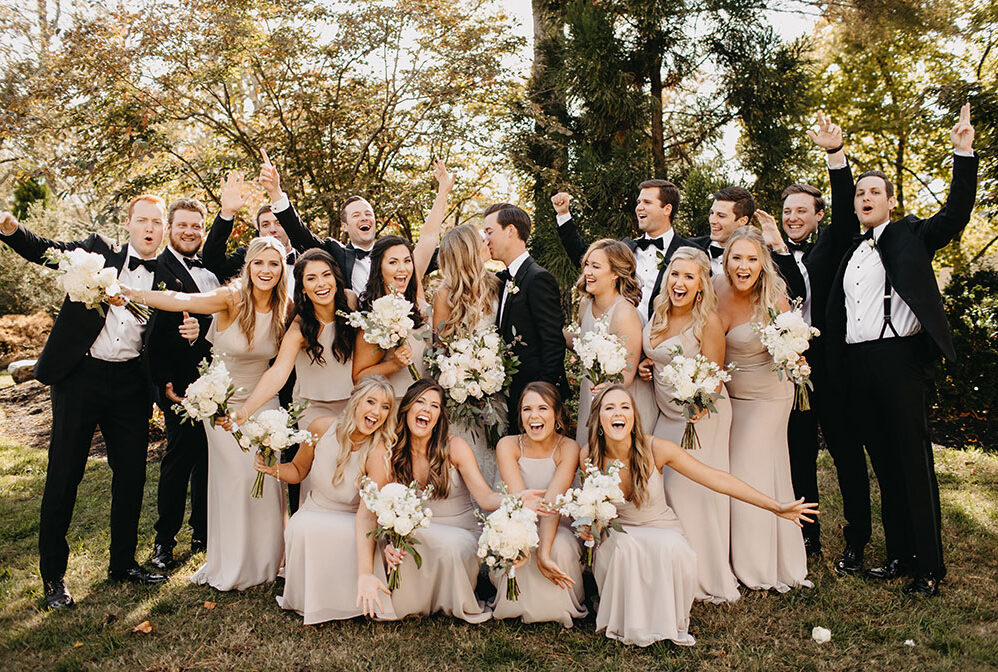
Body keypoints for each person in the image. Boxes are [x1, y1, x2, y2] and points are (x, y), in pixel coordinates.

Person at [822, 104, 977, 596]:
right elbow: (840, 192)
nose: (865, 198)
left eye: (874, 192)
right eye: (859, 194)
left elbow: (956, 213)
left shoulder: (913, 234)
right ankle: (897, 555)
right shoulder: (851, 247)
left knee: (913, 463)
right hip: (858, 364)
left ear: (890, 200)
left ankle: (928, 568)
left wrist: (963, 151)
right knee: (884, 464)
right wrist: (836, 156)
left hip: (900, 361)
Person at [0, 197, 169, 609]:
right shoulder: (96, 252)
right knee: (64, 474)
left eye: (156, 222)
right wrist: (10, 229)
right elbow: (48, 252)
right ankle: (54, 577)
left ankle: (123, 562)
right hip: (80, 377)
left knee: (131, 475)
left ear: (163, 230)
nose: (149, 228)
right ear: (127, 224)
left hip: (132, 382)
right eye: (142, 220)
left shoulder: (168, 273)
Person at [585, 385, 817, 647]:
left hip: (660, 526)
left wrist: (776, 506)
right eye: (610, 407)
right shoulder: (590, 457)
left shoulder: (656, 448)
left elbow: (716, 479)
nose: (619, 413)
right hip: (622, 532)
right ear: (599, 419)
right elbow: (585, 507)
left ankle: (664, 619)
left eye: (625, 407)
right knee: (622, 548)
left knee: (671, 548)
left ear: (634, 416)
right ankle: (627, 619)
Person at [124, 236, 291, 591]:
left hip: (264, 402)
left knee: (265, 481)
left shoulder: (285, 308)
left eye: (273, 264)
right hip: (223, 404)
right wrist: (131, 293)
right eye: (259, 263)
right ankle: (235, 563)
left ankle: (271, 561)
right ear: (248, 266)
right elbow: (182, 300)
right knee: (237, 481)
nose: (266, 270)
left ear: (282, 270)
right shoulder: (232, 298)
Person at [354, 379, 547, 622]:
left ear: (439, 416)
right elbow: (367, 513)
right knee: (402, 546)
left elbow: (485, 497)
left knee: (450, 544)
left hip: (460, 533)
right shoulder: (387, 451)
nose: (426, 409)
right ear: (407, 409)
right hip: (415, 532)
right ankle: (410, 601)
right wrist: (388, 542)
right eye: (420, 402)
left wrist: (514, 500)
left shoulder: (454, 446)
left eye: (434, 406)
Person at [777, 155, 874, 568]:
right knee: (797, 454)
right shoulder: (768, 254)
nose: (793, 217)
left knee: (846, 453)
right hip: (789, 366)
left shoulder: (834, 246)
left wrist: (836, 159)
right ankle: (806, 534)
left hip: (832, 365)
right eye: (787, 211)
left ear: (819, 216)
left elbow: (843, 205)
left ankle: (857, 539)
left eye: (802, 210)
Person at [251, 376, 398, 623]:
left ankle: (351, 596)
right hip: (315, 509)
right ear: (355, 401)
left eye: (385, 407)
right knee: (302, 525)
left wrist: (364, 573)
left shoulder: (379, 451)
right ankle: (309, 599)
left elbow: (366, 515)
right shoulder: (320, 427)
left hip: (353, 518)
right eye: (371, 401)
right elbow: (298, 472)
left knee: (318, 529)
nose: (377, 412)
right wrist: (272, 468)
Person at [638, 246, 740, 603]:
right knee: (665, 492)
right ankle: (672, 569)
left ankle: (702, 575)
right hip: (666, 415)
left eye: (688, 277)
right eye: (674, 275)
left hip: (701, 416)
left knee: (693, 493)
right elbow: (652, 354)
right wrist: (644, 367)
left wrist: (699, 405)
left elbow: (715, 376)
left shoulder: (707, 321)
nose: (678, 283)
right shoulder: (657, 310)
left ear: (701, 285)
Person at [714, 226, 811, 592]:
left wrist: (797, 360)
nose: (743, 266)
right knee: (745, 470)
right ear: (726, 261)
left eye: (752, 259)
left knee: (747, 470)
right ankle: (744, 555)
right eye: (736, 258)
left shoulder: (774, 296)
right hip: (728, 398)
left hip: (769, 396)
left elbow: (792, 346)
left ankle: (754, 566)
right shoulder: (714, 289)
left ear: (762, 263)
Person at [230, 248, 358, 505]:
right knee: (317, 480)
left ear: (336, 277)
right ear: (302, 288)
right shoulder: (299, 328)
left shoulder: (350, 301)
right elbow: (278, 372)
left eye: (326, 275)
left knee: (353, 478)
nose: (321, 283)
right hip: (313, 411)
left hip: (352, 406)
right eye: (311, 279)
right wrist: (244, 411)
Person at [146, 197, 222, 572]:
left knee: (210, 460)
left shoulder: (211, 271)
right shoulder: (158, 270)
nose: (190, 231)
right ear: (170, 229)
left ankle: (203, 531)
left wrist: (204, 333)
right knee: (178, 461)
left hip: (218, 381)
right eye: (183, 225)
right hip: (180, 386)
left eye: (196, 226)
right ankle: (164, 540)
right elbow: (151, 336)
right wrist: (163, 386)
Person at [268, 158, 454, 292]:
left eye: (368, 214)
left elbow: (437, 248)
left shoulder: (397, 256)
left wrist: (443, 193)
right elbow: (300, 234)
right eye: (356, 215)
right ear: (344, 226)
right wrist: (276, 191)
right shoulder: (335, 253)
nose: (364, 218)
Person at [492, 383, 587, 627]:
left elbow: (553, 504)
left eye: (542, 408)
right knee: (514, 544)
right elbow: (521, 500)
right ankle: (514, 603)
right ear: (520, 417)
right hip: (520, 518)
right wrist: (524, 540)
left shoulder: (568, 447)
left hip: (557, 522)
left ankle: (562, 605)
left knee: (560, 547)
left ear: (556, 415)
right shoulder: (508, 445)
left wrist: (543, 552)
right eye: (527, 410)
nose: (534, 416)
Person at [552, 181, 694, 318]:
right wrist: (564, 215)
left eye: (647, 202)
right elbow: (584, 257)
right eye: (639, 202)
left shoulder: (691, 253)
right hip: (620, 335)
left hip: (664, 339)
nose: (639, 207)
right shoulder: (625, 248)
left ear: (667, 209)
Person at [431, 222, 502, 484]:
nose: (487, 241)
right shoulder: (444, 294)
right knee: (469, 453)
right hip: (460, 396)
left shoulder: (497, 284)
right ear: (469, 249)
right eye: (481, 239)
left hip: (495, 388)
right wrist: (461, 377)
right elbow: (439, 347)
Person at [483, 204, 568, 422]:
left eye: (489, 232)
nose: (486, 240)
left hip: (534, 401)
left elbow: (553, 342)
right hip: (510, 398)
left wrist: (541, 399)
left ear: (510, 230)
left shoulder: (538, 278)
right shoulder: (503, 279)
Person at [567, 239, 655, 445]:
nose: (588, 271)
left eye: (596, 266)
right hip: (593, 390)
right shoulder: (586, 304)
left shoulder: (624, 312)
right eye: (587, 264)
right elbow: (583, 344)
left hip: (621, 400)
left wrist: (604, 388)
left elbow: (627, 373)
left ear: (615, 273)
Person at [688, 186, 807, 300]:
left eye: (721, 216)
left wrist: (778, 246)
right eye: (712, 213)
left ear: (742, 221)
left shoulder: (763, 254)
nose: (712, 220)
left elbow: (796, 295)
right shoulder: (690, 247)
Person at [352, 236, 431, 397]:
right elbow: (359, 378)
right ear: (379, 269)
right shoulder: (374, 319)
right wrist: (394, 364)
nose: (402, 268)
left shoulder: (420, 306)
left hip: (426, 406)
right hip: (396, 406)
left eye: (407, 261)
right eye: (393, 262)